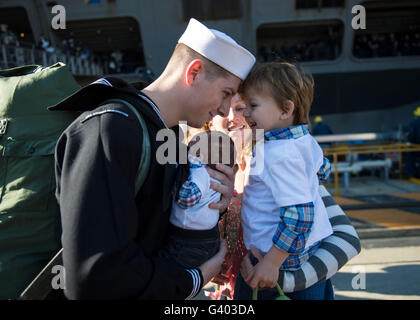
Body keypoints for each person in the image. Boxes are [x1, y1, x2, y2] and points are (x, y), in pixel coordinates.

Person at [52, 18, 255, 299]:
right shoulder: (111, 128)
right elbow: (94, 276)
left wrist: (215, 201)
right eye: (225, 93)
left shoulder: (163, 134)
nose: (224, 110)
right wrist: (191, 280)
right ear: (194, 72)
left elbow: (153, 232)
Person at [234, 62, 334, 300]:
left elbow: (300, 214)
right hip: (308, 256)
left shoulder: (276, 153)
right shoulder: (304, 139)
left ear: (286, 110)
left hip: (276, 263)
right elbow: (324, 168)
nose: (245, 113)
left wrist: (271, 262)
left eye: (253, 106)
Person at [160, 131, 237, 269]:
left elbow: (186, 199)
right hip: (206, 238)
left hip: (187, 240)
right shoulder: (214, 178)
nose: (189, 145)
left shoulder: (201, 173)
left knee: (167, 267)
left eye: (195, 143)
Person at [407, 106, 420, 178]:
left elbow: (411, 135)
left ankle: (410, 174)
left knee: (411, 159)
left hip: (415, 146)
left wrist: (409, 142)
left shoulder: (414, 123)